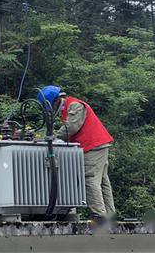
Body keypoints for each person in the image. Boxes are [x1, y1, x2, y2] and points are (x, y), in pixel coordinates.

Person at [38, 85, 115, 222]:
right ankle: (109, 214)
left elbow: (71, 127)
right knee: (102, 180)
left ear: (53, 101)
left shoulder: (74, 105)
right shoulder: (69, 106)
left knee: (90, 178)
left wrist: (53, 137)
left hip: (93, 145)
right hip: (98, 144)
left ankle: (99, 215)